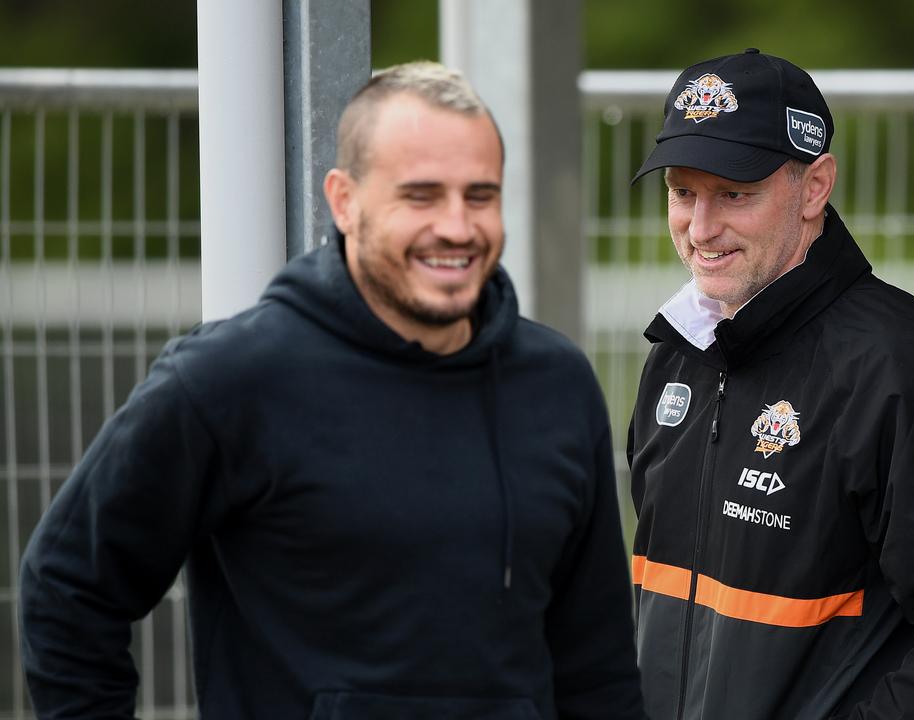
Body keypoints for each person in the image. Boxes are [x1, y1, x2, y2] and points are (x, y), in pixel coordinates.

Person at [20, 61, 645, 719]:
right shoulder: (231, 380)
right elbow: (68, 588)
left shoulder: (557, 385)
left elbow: (595, 665)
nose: (458, 227)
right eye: (421, 195)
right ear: (344, 200)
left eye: (480, 195)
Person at [627, 48, 914, 719]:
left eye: (735, 193)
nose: (701, 228)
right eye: (683, 192)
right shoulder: (676, 356)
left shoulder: (901, 366)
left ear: (815, 185)